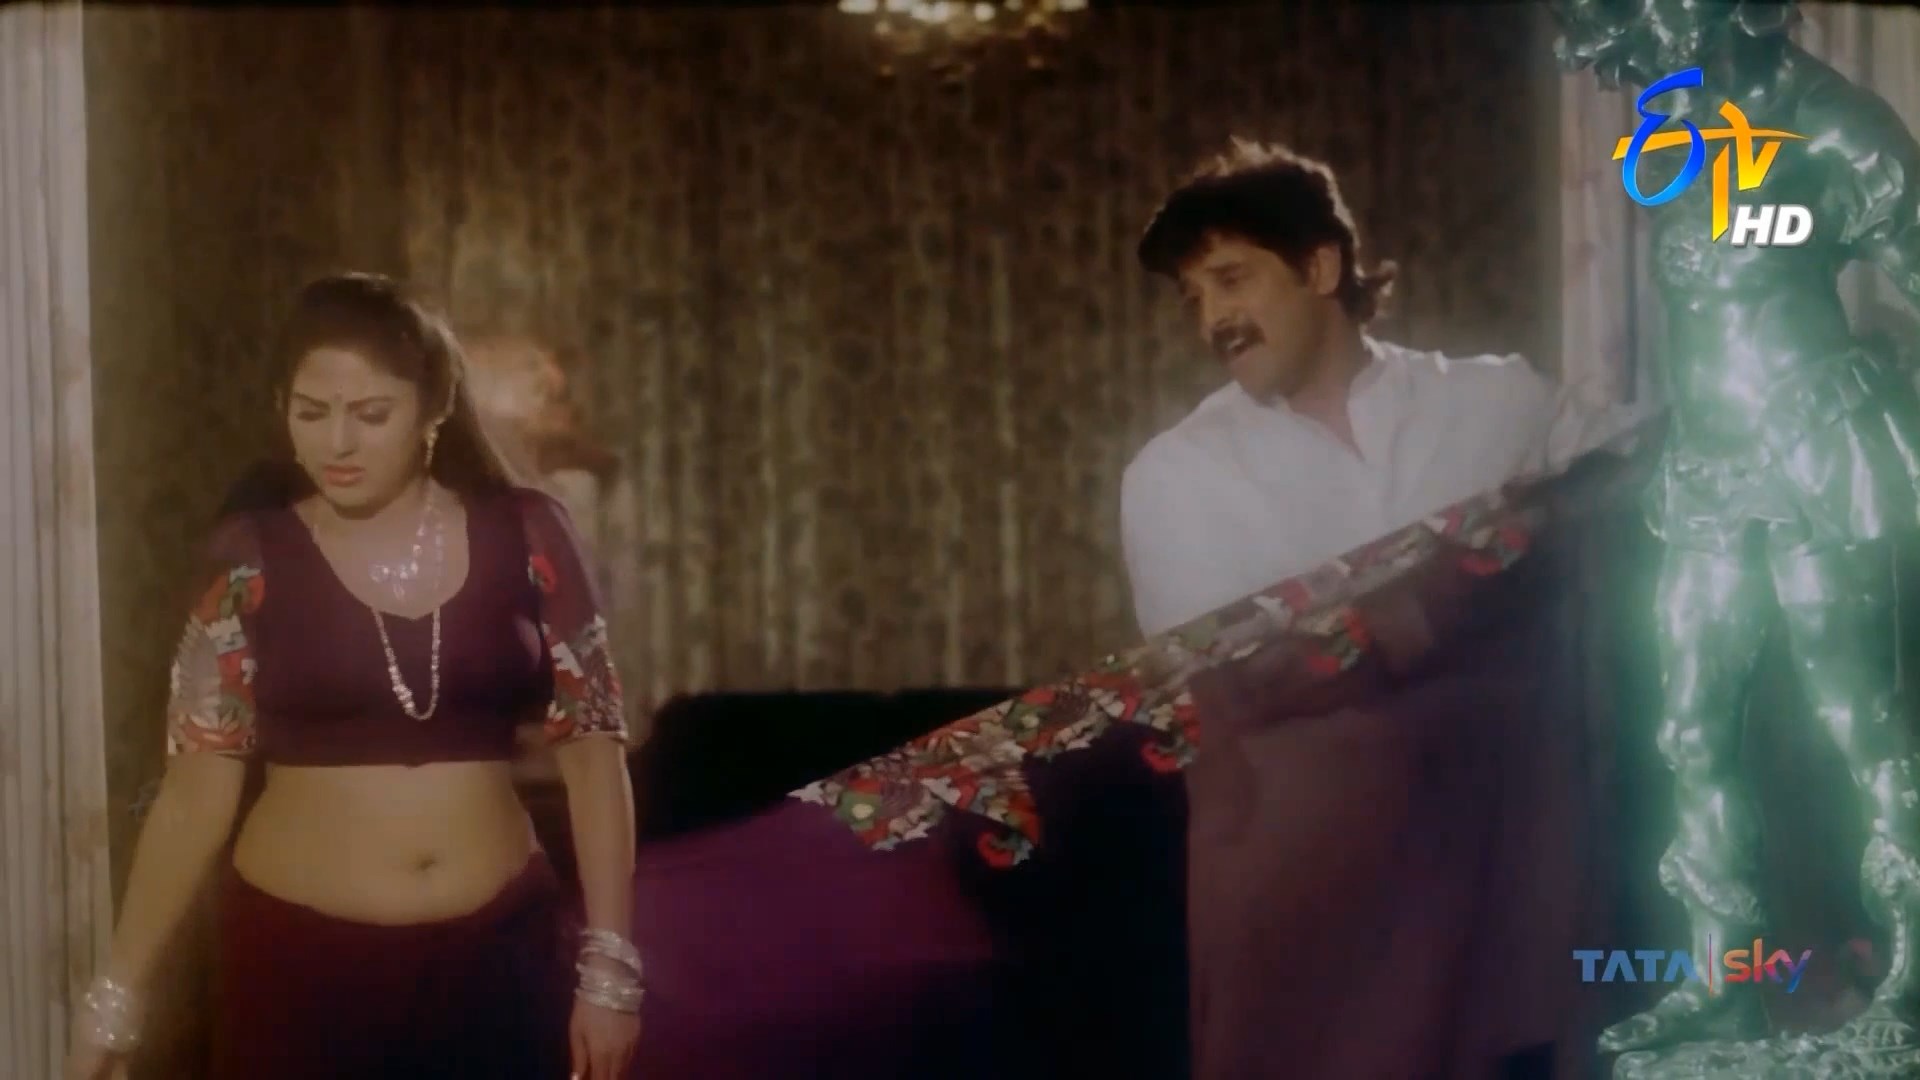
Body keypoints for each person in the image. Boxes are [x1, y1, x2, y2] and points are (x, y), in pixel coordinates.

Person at [66, 274, 642, 1079]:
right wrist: (117, 996)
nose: (337, 443)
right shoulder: (250, 555)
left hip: (498, 958)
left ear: (432, 410)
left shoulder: (529, 532)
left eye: (371, 415)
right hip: (300, 971)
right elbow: (194, 795)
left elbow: (594, 755)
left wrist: (610, 966)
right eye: (311, 413)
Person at [1122, 138, 1640, 638]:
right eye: (1194, 299)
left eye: (1231, 280)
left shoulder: (1498, 400)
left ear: (1320, 270)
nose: (1211, 319)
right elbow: (1216, 684)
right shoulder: (1177, 478)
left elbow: (1656, 466)